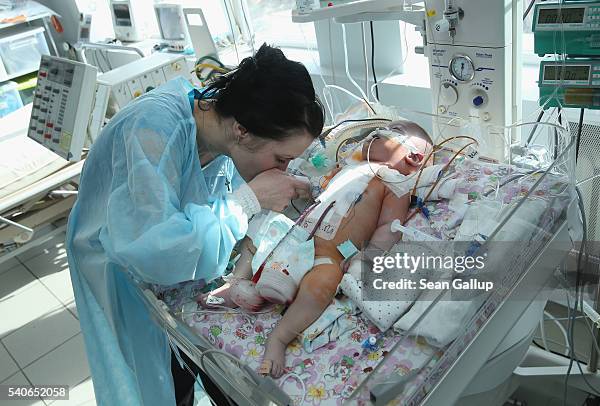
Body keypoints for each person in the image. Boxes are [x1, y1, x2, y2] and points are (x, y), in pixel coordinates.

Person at [65, 44, 324, 405]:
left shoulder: (216, 132)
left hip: (165, 261)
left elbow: (202, 199)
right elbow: (156, 248)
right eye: (281, 159)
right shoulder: (152, 129)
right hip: (119, 265)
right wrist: (249, 200)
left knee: (188, 365)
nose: (282, 170)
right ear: (242, 131)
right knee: (158, 375)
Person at [200, 121, 433, 377]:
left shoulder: (396, 184)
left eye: (392, 133)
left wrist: (367, 259)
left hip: (331, 254)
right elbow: (316, 189)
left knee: (323, 285)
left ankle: (279, 337)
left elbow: (389, 226)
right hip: (295, 237)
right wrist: (301, 184)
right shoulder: (348, 167)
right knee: (262, 229)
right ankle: (237, 283)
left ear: (413, 157)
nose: (374, 134)